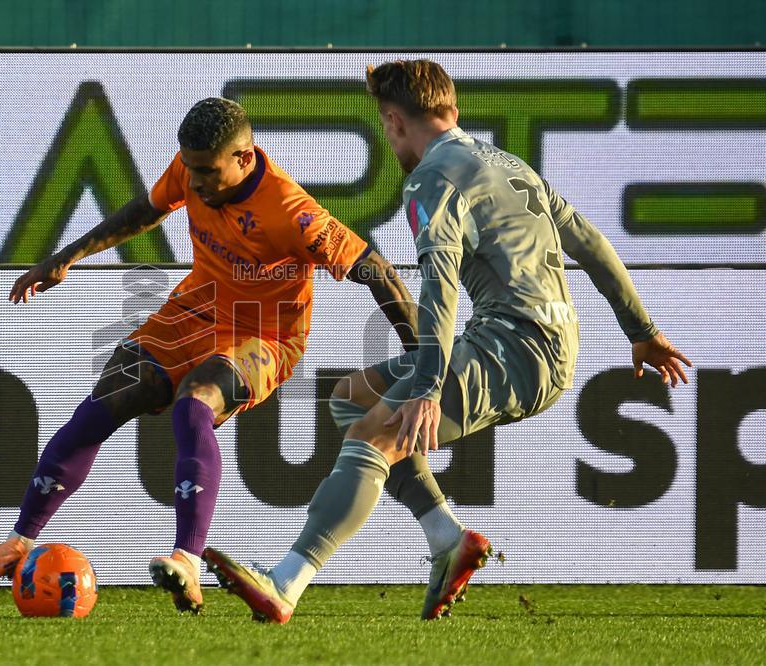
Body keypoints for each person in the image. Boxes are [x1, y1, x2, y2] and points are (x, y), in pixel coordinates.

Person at [203, 59, 693, 624]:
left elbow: (440, 286)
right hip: (538, 341)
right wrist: (643, 332)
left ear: (393, 122)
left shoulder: (432, 179)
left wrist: (428, 388)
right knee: (353, 398)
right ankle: (446, 538)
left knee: (373, 436)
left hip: (515, 346)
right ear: (452, 111)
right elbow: (590, 242)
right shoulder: (509, 164)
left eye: (386, 126)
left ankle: (286, 584)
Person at [0, 97, 420, 615]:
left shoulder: (291, 211)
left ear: (244, 158)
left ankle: (187, 560)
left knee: (195, 401)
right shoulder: (190, 166)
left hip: (264, 335)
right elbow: (146, 210)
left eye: (207, 172)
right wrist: (65, 256)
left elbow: (378, 271)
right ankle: (18, 543)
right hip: (194, 310)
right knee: (106, 399)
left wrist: (423, 357)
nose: (195, 182)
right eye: (190, 168)